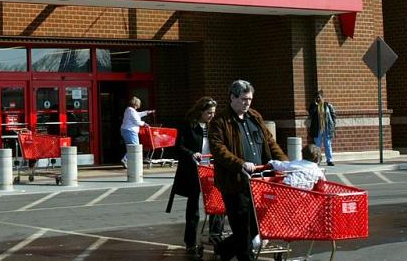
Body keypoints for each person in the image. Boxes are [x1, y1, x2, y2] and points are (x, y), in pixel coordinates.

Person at [209, 80, 287, 261]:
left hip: (260, 181)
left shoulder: (255, 117)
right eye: (244, 99)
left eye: (250, 99)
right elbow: (218, 149)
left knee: (254, 226)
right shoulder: (221, 121)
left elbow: (270, 142)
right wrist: (240, 163)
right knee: (242, 226)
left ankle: (223, 249)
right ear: (232, 98)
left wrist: (284, 163)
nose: (247, 103)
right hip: (235, 183)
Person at [166, 96, 223, 257]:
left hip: (211, 168)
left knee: (217, 203)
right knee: (193, 207)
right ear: (201, 111)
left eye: (213, 112)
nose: (212, 115)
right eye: (209, 113)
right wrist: (192, 154)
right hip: (193, 170)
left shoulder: (214, 126)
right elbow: (179, 147)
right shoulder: (189, 124)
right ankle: (190, 241)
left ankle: (215, 234)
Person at [119, 96, 154, 167]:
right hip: (130, 131)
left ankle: (129, 161)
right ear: (136, 104)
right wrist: (144, 123)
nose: (138, 106)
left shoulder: (130, 110)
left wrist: (147, 112)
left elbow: (138, 114)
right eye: (138, 104)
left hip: (126, 130)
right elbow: (137, 121)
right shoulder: (131, 110)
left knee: (131, 147)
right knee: (135, 147)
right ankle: (125, 159)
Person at [309, 90, 337, 166]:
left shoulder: (328, 105)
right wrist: (315, 105)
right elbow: (311, 114)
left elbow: (333, 116)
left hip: (327, 128)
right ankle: (317, 161)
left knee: (328, 144)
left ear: (322, 97)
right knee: (317, 145)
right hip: (317, 129)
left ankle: (329, 160)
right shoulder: (313, 106)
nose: (318, 99)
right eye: (316, 97)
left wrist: (333, 125)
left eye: (319, 97)